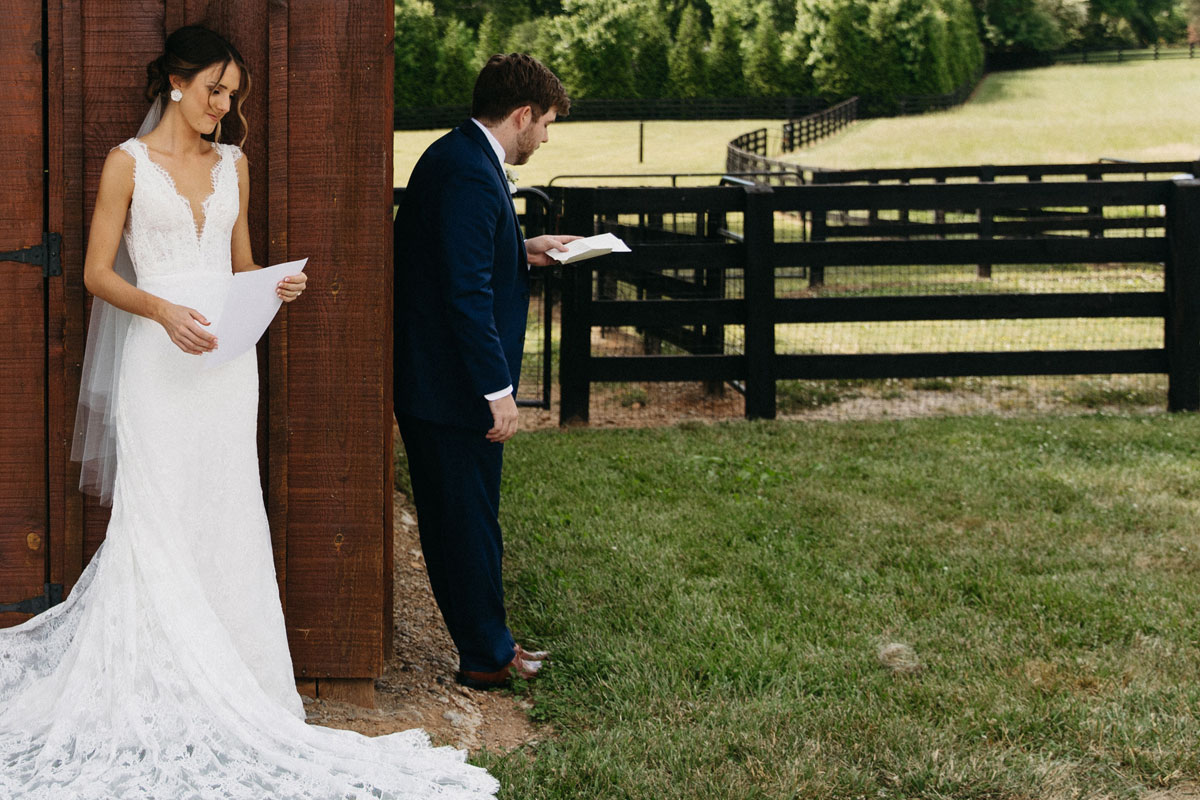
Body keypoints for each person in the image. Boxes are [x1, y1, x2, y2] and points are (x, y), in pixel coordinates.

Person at [0, 25, 498, 799]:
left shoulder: (234, 163)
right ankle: (158, 686)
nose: (223, 107)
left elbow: (240, 266)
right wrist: (163, 311)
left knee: (227, 512)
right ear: (176, 81)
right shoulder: (126, 164)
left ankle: (243, 682)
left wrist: (273, 284)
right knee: (157, 517)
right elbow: (97, 273)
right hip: (157, 364)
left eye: (232, 95)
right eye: (214, 90)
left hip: (227, 370)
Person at [394, 53, 577, 690]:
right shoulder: (469, 170)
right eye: (546, 123)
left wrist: (522, 251)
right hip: (450, 387)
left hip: (443, 383)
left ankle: (491, 642)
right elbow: (465, 292)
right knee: (465, 523)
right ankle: (486, 656)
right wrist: (497, 391)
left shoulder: (464, 157)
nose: (546, 137)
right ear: (522, 114)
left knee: (469, 518)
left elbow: (459, 256)